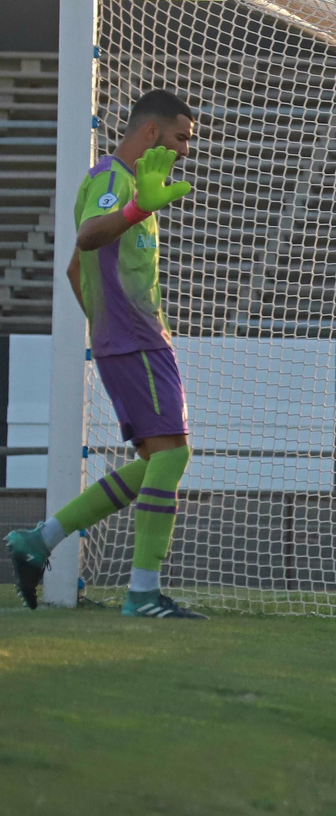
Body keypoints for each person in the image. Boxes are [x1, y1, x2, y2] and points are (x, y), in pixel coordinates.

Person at [5, 89, 203, 619]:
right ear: (150, 133)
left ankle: (39, 540)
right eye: (180, 136)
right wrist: (139, 207)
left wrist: (104, 328)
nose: (186, 149)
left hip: (126, 340)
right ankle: (141, 594)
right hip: (138, 340)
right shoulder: (117, 179)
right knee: (173, 456)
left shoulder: (111, 179)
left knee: (156, 463)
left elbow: (75, 270)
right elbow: (90, 237)